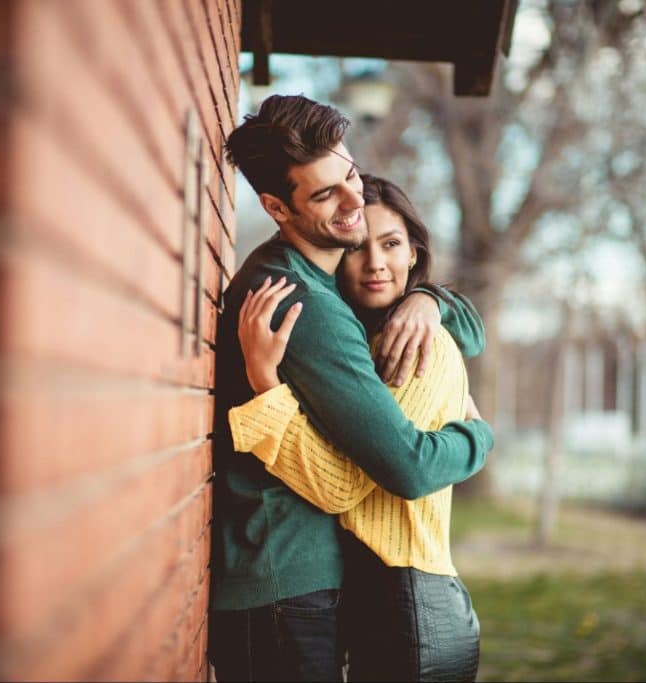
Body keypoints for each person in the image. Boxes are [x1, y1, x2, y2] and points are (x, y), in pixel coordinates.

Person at [209, 95, 494, 682]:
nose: (353, 203)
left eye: (350, 176)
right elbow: (401, 469)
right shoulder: (307, 305)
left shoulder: (319, 283)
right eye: (323, 195)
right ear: (276, 208)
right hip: (281, 586)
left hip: (293, 587)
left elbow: (465, 324)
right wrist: (480, 437)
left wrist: (429, 299)